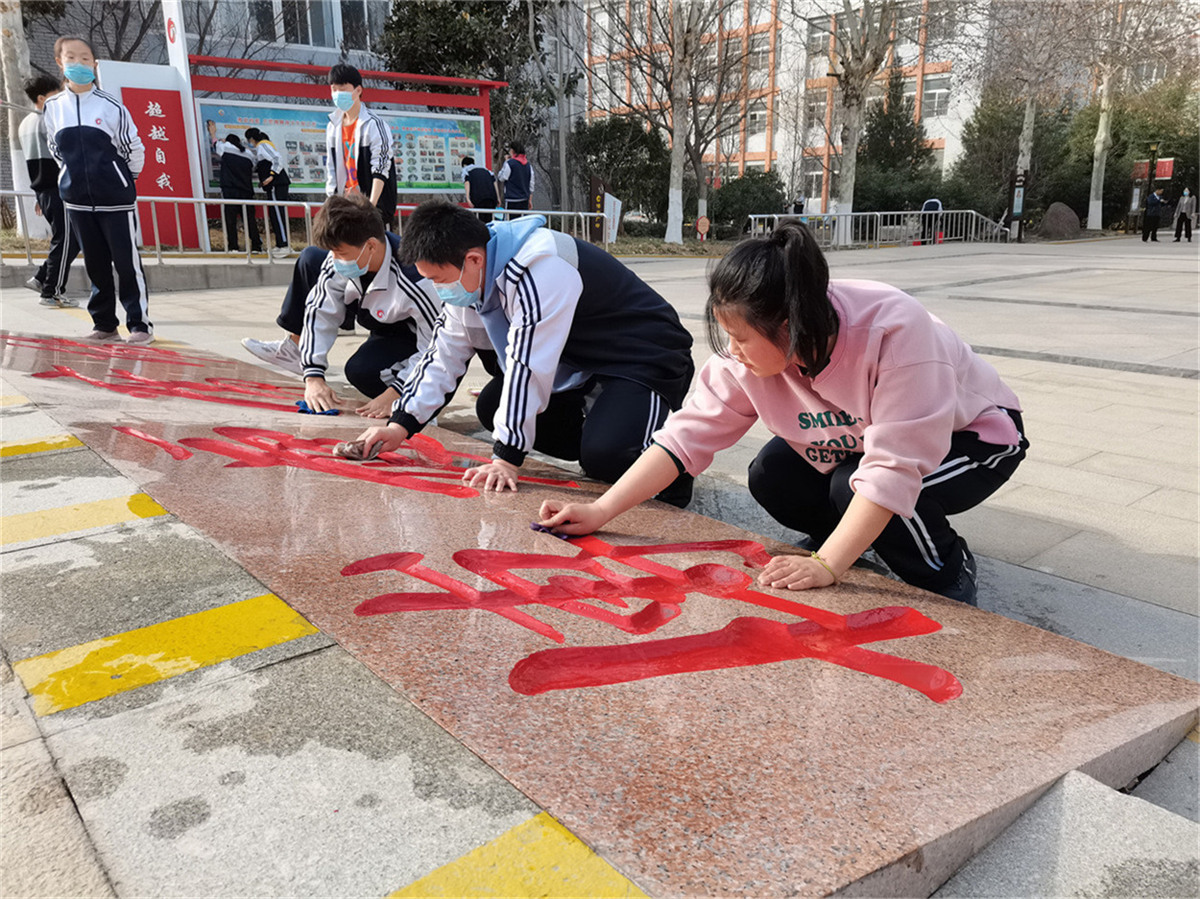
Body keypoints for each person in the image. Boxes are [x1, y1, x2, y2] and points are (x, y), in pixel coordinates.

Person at [539, 221, 1029, 607]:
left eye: (743, 338)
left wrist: (828, 566)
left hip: (973, 439)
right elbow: (683, 438)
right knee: (772, 474)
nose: (732, 351)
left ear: (790, 327)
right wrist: (601, 510)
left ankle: (945, 567)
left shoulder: (895, 331)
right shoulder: (745, 356)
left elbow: (894, 468)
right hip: (854, 441)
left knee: (856, 486)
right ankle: (850, 534)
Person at [353, 200, 695, 503]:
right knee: (492, 406)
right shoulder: (472, 275)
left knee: (607, 456)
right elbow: (442, 356)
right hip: (580, 362)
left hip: (641, 356)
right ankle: (609, 432)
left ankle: (669, 461)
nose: (440, 291)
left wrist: (505, 459)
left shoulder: (539, 265)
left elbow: (528, 364)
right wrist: (400, 425)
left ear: (473, 259)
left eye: (440, 280)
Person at [242, 194, 442, 418]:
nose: (336, 260)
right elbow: (320, 312)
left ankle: (420, 403)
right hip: (384, 325)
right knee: (359, 368)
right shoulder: (342, 259)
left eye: (341, 253)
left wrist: (396, 392)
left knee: (364, 372)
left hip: (419, 337)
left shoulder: (417, 279)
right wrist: (313, 375)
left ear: (371, 246)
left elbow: (438, 349)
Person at [43, 35, 152, 345]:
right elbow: (56, 149)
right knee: (95, 265)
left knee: (127, 265)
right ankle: (104, 324)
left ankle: (140, 325)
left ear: (94, 64)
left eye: (86, 58)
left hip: (115, 201)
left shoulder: (111, 106)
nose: (79, 64)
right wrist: (71, 177)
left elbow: (134, 148)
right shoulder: (53, 108)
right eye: (71, 58)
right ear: (60, 63)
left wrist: (121, 180)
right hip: (77, 202)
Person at [18, 74, 80, 308]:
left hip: (45, 190)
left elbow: (35, 163)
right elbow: (63, 157)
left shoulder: (26, 123)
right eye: (57, 94)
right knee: (66, 240)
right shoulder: (50, 120)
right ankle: (51, 292)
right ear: (42, 98)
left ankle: (42, 278)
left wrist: (39, 195)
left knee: (70, 239)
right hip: (59, 189)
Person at [325, 63, 397, 230]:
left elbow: (381, 165)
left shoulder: (374, 124)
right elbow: (331, 169)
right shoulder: (333, 127)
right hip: (346, 204)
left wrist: (372, 206)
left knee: (374, 251)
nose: (337, 94)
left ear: (358, 90)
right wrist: (332, 202)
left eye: (342, 89)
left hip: (372, 205)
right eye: (333, 89)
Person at [207, 122, 262, 254]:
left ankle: (233, 247)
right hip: (246, 191)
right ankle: (256, 246)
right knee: (249, 220)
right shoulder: (248, 153)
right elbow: (254, 167)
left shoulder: (225, 147)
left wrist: (213, 133)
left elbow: (215, 144)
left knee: (231, 220)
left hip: (230, 190)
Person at [245, 127, 293, 258]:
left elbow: (277, 159)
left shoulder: (263, 145)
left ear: (252, 139)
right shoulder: (263, 147)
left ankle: (284, 245)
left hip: (276, 185)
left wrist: (271, 176)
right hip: (273, 186)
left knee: (277, 213)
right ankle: (280, 244)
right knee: (274, 213)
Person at [496, 141, 534, 213]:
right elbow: (531, 184)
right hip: (524, 199)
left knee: (510, 221)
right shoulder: (528, 165)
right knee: (522, 221)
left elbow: (502, 177)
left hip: (511, 199)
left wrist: (506, 162)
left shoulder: (510, 163)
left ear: (512, 151)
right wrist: (530, 199)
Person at [461, 155, 497, 223]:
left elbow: (467, 183)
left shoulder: (466, 170)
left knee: (480, 220)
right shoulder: (485, 170)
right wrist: (498, 198)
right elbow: (494, 181)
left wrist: (468, 199)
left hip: (478, 198)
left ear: (464, 164)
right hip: (491, 197)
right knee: (490, 220)